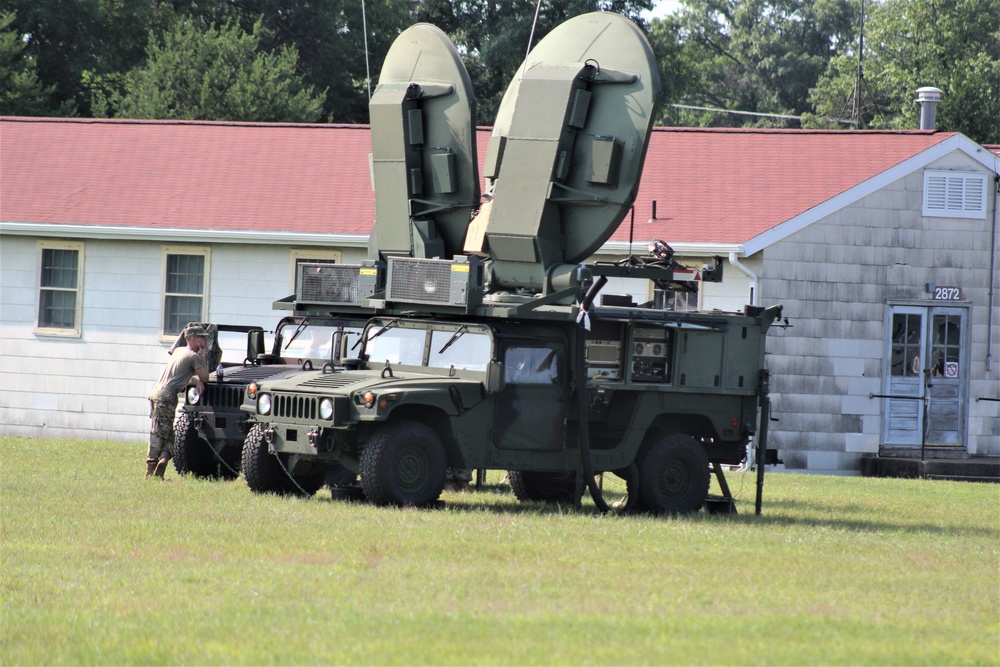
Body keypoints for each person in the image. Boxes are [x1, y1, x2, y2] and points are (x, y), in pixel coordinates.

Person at [146, 324, 210, 479]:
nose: (205, 341)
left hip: (158, 392)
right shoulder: (194, 356)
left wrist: (195, 381)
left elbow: (179, 375)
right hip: (166, 396)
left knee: (168, 433)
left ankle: (162, 462)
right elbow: (206, 377)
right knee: (159, 433)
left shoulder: (179, 351)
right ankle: (149, 472)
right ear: (192, 339)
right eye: (202, 338)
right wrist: (203, 358)